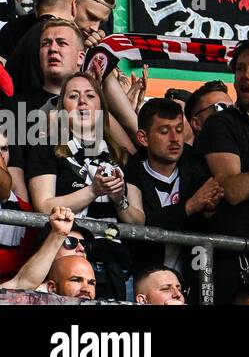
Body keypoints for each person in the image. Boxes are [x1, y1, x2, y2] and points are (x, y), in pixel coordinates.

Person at [26, 72, 144, 300]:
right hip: (68, 260)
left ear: (101, 108)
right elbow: (44, 205)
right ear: (62, 108)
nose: (82, 101)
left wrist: (120, 199)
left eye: (90, 95)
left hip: (115, 266)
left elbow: (138, 220)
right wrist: (93, 191)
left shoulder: (123, 156)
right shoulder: (47, 148)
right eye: (73, 96)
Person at [197, 40, 249, 303]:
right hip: (238, 261)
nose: (246, 75)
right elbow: (231, 189)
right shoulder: (222, 124)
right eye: (241, 69)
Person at [125, 97, 222, 284]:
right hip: (144, 278)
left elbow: (208, 221)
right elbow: (143, 226)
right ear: (143, 138)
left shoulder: (196, 165)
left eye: (179, 129)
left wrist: (210, 210)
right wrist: (191, 205)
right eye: (164, 131)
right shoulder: (132, 172)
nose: (175, 138)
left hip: (192, 279)